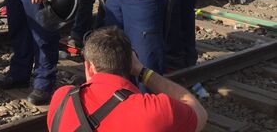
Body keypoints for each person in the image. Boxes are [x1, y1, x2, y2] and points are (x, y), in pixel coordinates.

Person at [47, 27, 207, 132]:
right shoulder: (154, 110)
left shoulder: (62, 98)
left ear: (89, 67)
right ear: (130, 65)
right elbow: (199, 113)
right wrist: (142, 71)